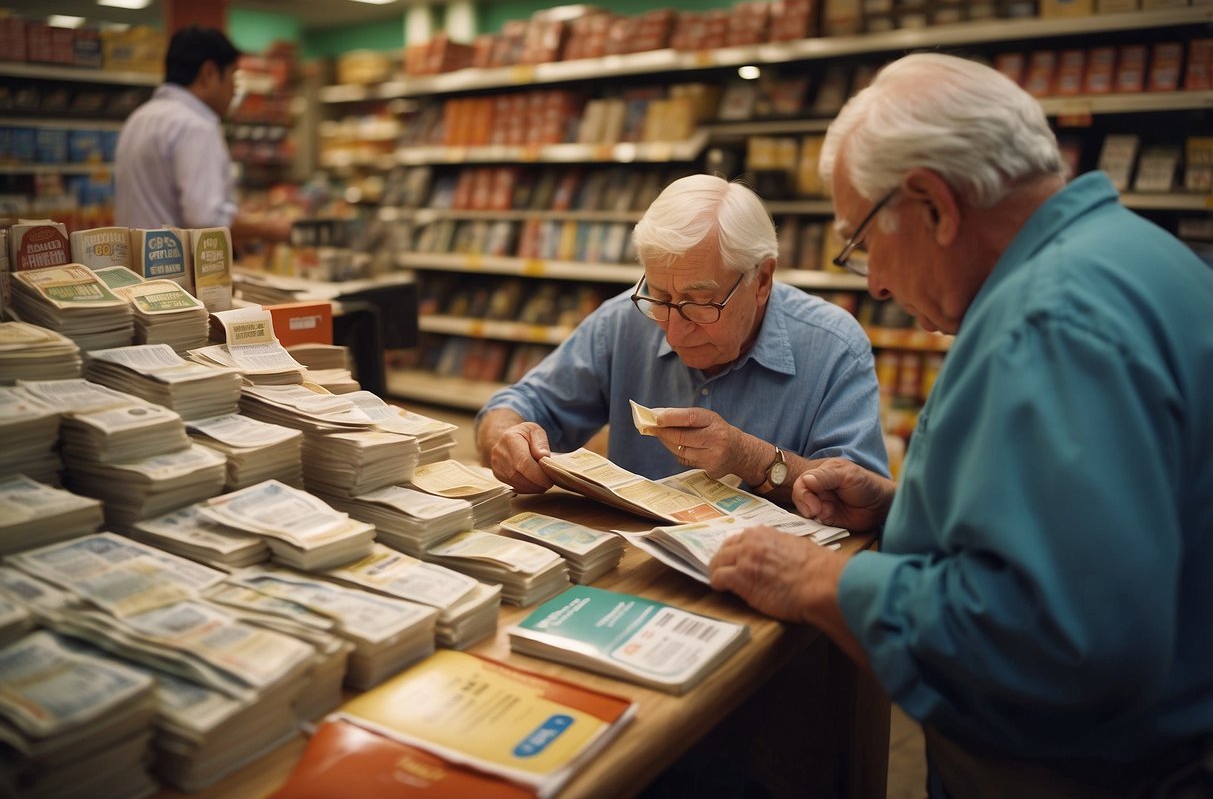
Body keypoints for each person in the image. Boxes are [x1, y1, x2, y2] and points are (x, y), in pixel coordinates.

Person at [709, 52, 1213, 797]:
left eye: (862, 241)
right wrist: (905, 511)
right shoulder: (1136, 259)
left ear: (932, 204)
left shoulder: (1048, 323)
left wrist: (824, 580)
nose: (874, 281)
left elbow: (1058, 641)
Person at [476, 173, 889, 500]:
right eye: (659, 296)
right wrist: (507, 438)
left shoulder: (834, 346)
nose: (674, 332)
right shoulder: (624, 319)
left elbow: (862, 500)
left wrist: (751, 459)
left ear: (762, 279)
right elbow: (517, 406)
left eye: (699, 303)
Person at [114, 25, 291, 251]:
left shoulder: (139, 118)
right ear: (209, 73)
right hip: (175, 276)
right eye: (232, 76)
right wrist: (269, 229)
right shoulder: (196, 125)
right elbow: (206, 219)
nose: (234, 89)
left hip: (133, 271)